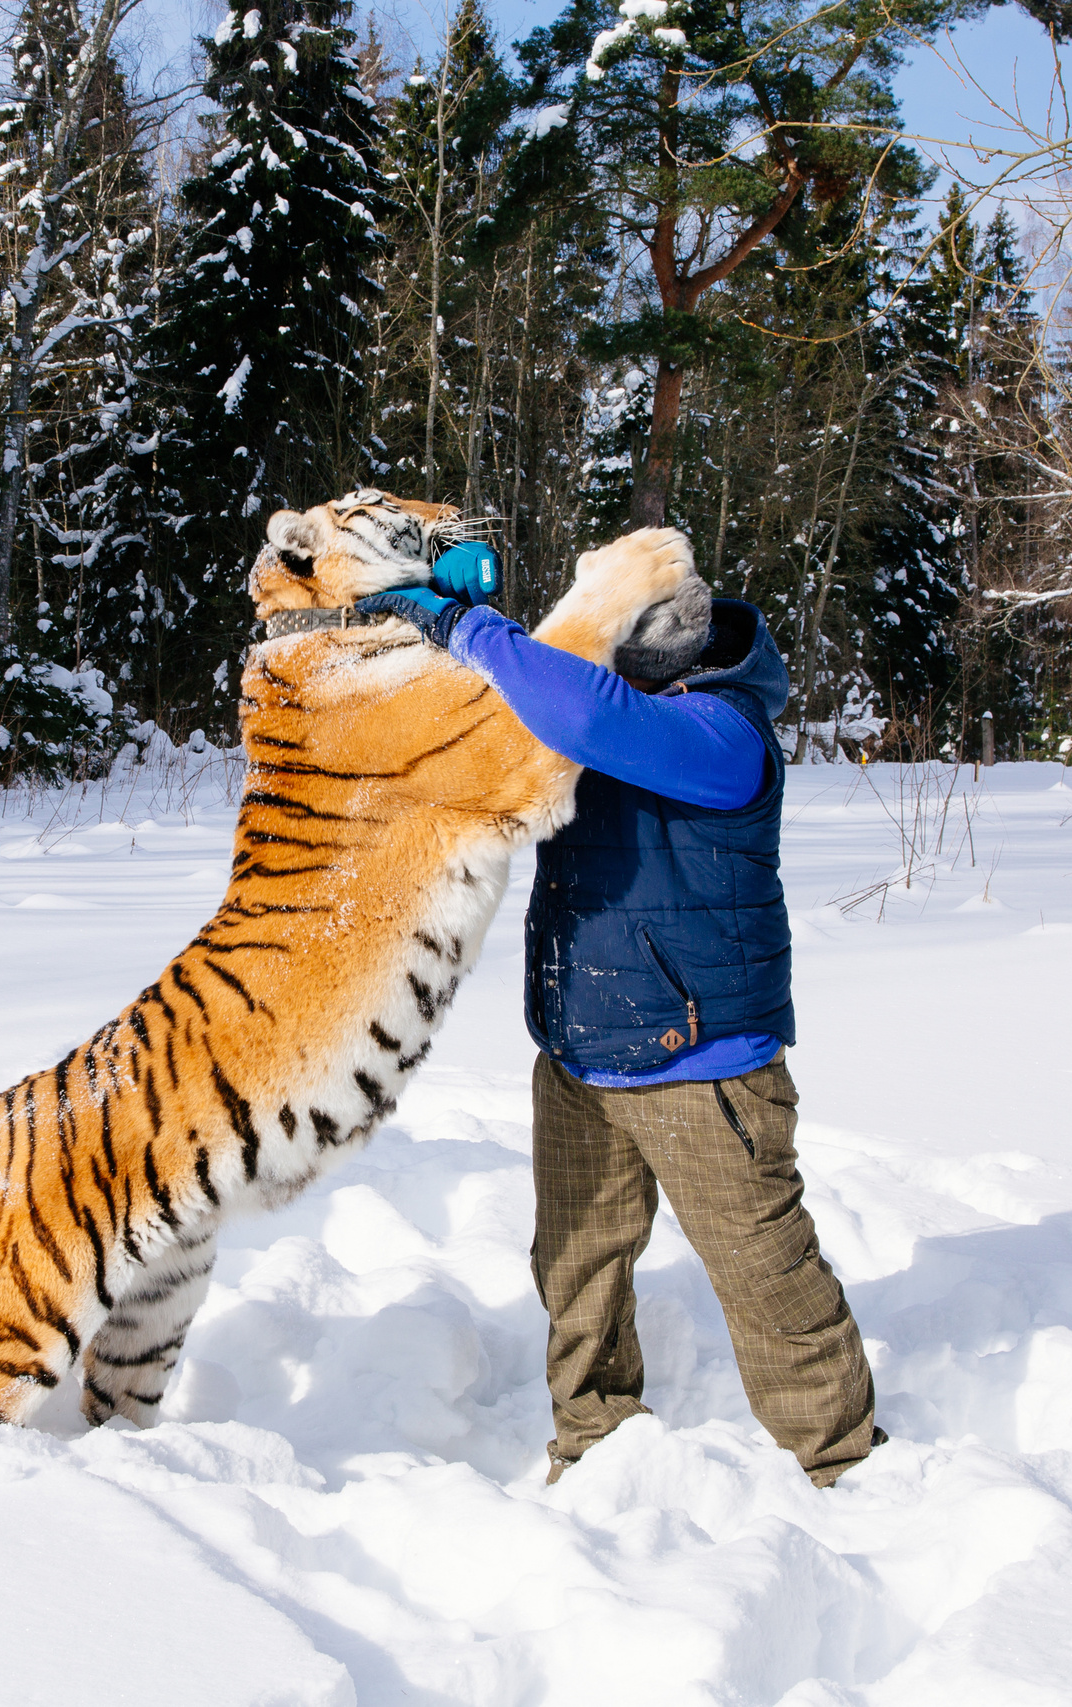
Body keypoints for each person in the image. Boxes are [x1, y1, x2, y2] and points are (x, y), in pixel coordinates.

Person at [361, 535, 881, 1488]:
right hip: (580, 1049)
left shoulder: (727, 734)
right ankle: (595, 1444)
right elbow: (515, 710)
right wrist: (428, 603)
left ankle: (840, 1461)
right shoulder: (611, 707)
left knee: (768, 1276)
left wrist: (473, 626)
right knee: (576, 1270)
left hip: (704, 1059)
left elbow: (581, 708)